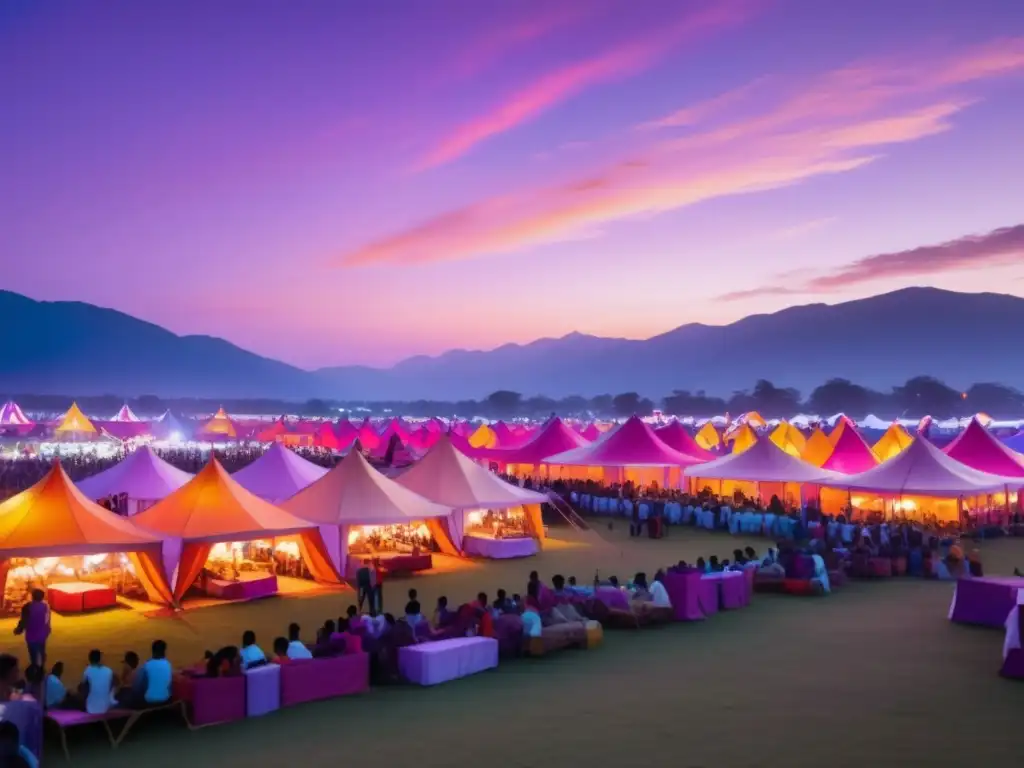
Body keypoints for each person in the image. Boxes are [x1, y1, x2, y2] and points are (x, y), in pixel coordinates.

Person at [13, 590, 50, 668]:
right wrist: (47, 630)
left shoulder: (27, 606)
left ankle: (35, 668)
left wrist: (18, 630)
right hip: (42, 634)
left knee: (33, 654)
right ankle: (41, 667)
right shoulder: (46, 606)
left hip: (31, 635)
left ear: (32, 596)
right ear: (42, 597)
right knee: (41, 650)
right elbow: (47, 620)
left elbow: (24, 621)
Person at [80, 650, 115, 715]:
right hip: (106, 707)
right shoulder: (109, 670)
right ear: (100, 659)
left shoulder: (87, 670)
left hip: (91, 708)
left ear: (90, 659)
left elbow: (84, 689)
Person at [138, 640, 172, 706]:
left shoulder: (147, 665)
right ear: (164, 651)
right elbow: (169, 685)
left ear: (153, 651)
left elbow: (139, 686)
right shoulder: (168, 664)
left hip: (149, 701)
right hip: (165, 699)